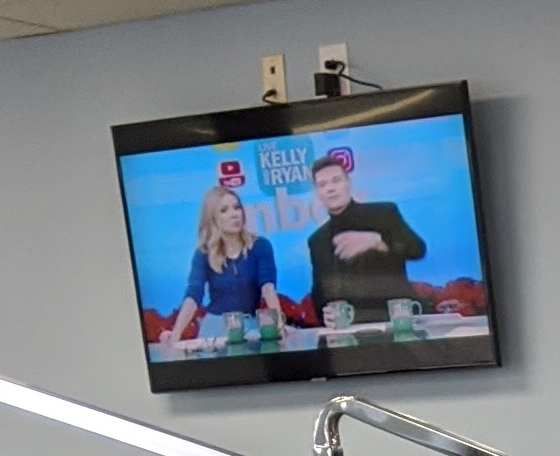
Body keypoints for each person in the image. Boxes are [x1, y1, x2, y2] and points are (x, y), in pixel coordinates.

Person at [305, 145, 426, 332]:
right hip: (350, 332)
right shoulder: (317, 240)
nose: (330, 189)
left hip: (397, 325)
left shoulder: (384, 213)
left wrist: (377, 242)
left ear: (348, 183)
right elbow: (319, 292)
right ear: (317, 193)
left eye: (336, 180)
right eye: (322, 184)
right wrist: (324, 315)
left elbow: (417, 249)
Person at [169, 169, 285, 351]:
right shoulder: (204, 253)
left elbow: (268, 288)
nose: (234, 214)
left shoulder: (260, 246)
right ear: (213, 218)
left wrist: (279, 326)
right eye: (224, 210)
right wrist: (174, 337)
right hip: (215, 329)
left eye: (236, 207)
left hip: (250, 328)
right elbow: (193, 295)